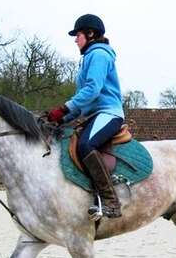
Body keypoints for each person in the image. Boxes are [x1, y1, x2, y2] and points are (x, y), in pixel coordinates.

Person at [47, 14, 124, 218]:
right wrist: (62, 118)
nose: (75, 39)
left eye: (77, 35)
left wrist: (64, 108)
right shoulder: (87, 58)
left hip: (109, 113)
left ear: (90, 34)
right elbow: (85, 100)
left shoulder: (99, 55)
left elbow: (92, 90)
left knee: (85, 145)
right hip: (93, 114)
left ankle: (111, 201)